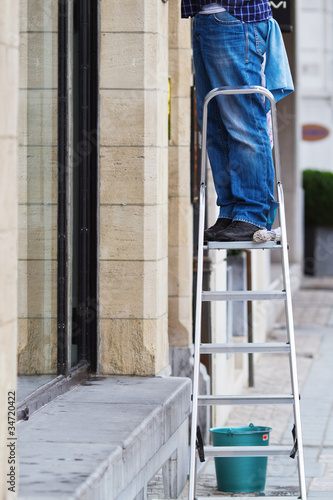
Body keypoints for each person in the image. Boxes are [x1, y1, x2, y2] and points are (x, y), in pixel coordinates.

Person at [181, 0, 293, 241]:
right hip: (209, 18)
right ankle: (231, 211)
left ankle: (251, 214)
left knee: (243, 125)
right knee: (215, 126)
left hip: (234, 17)